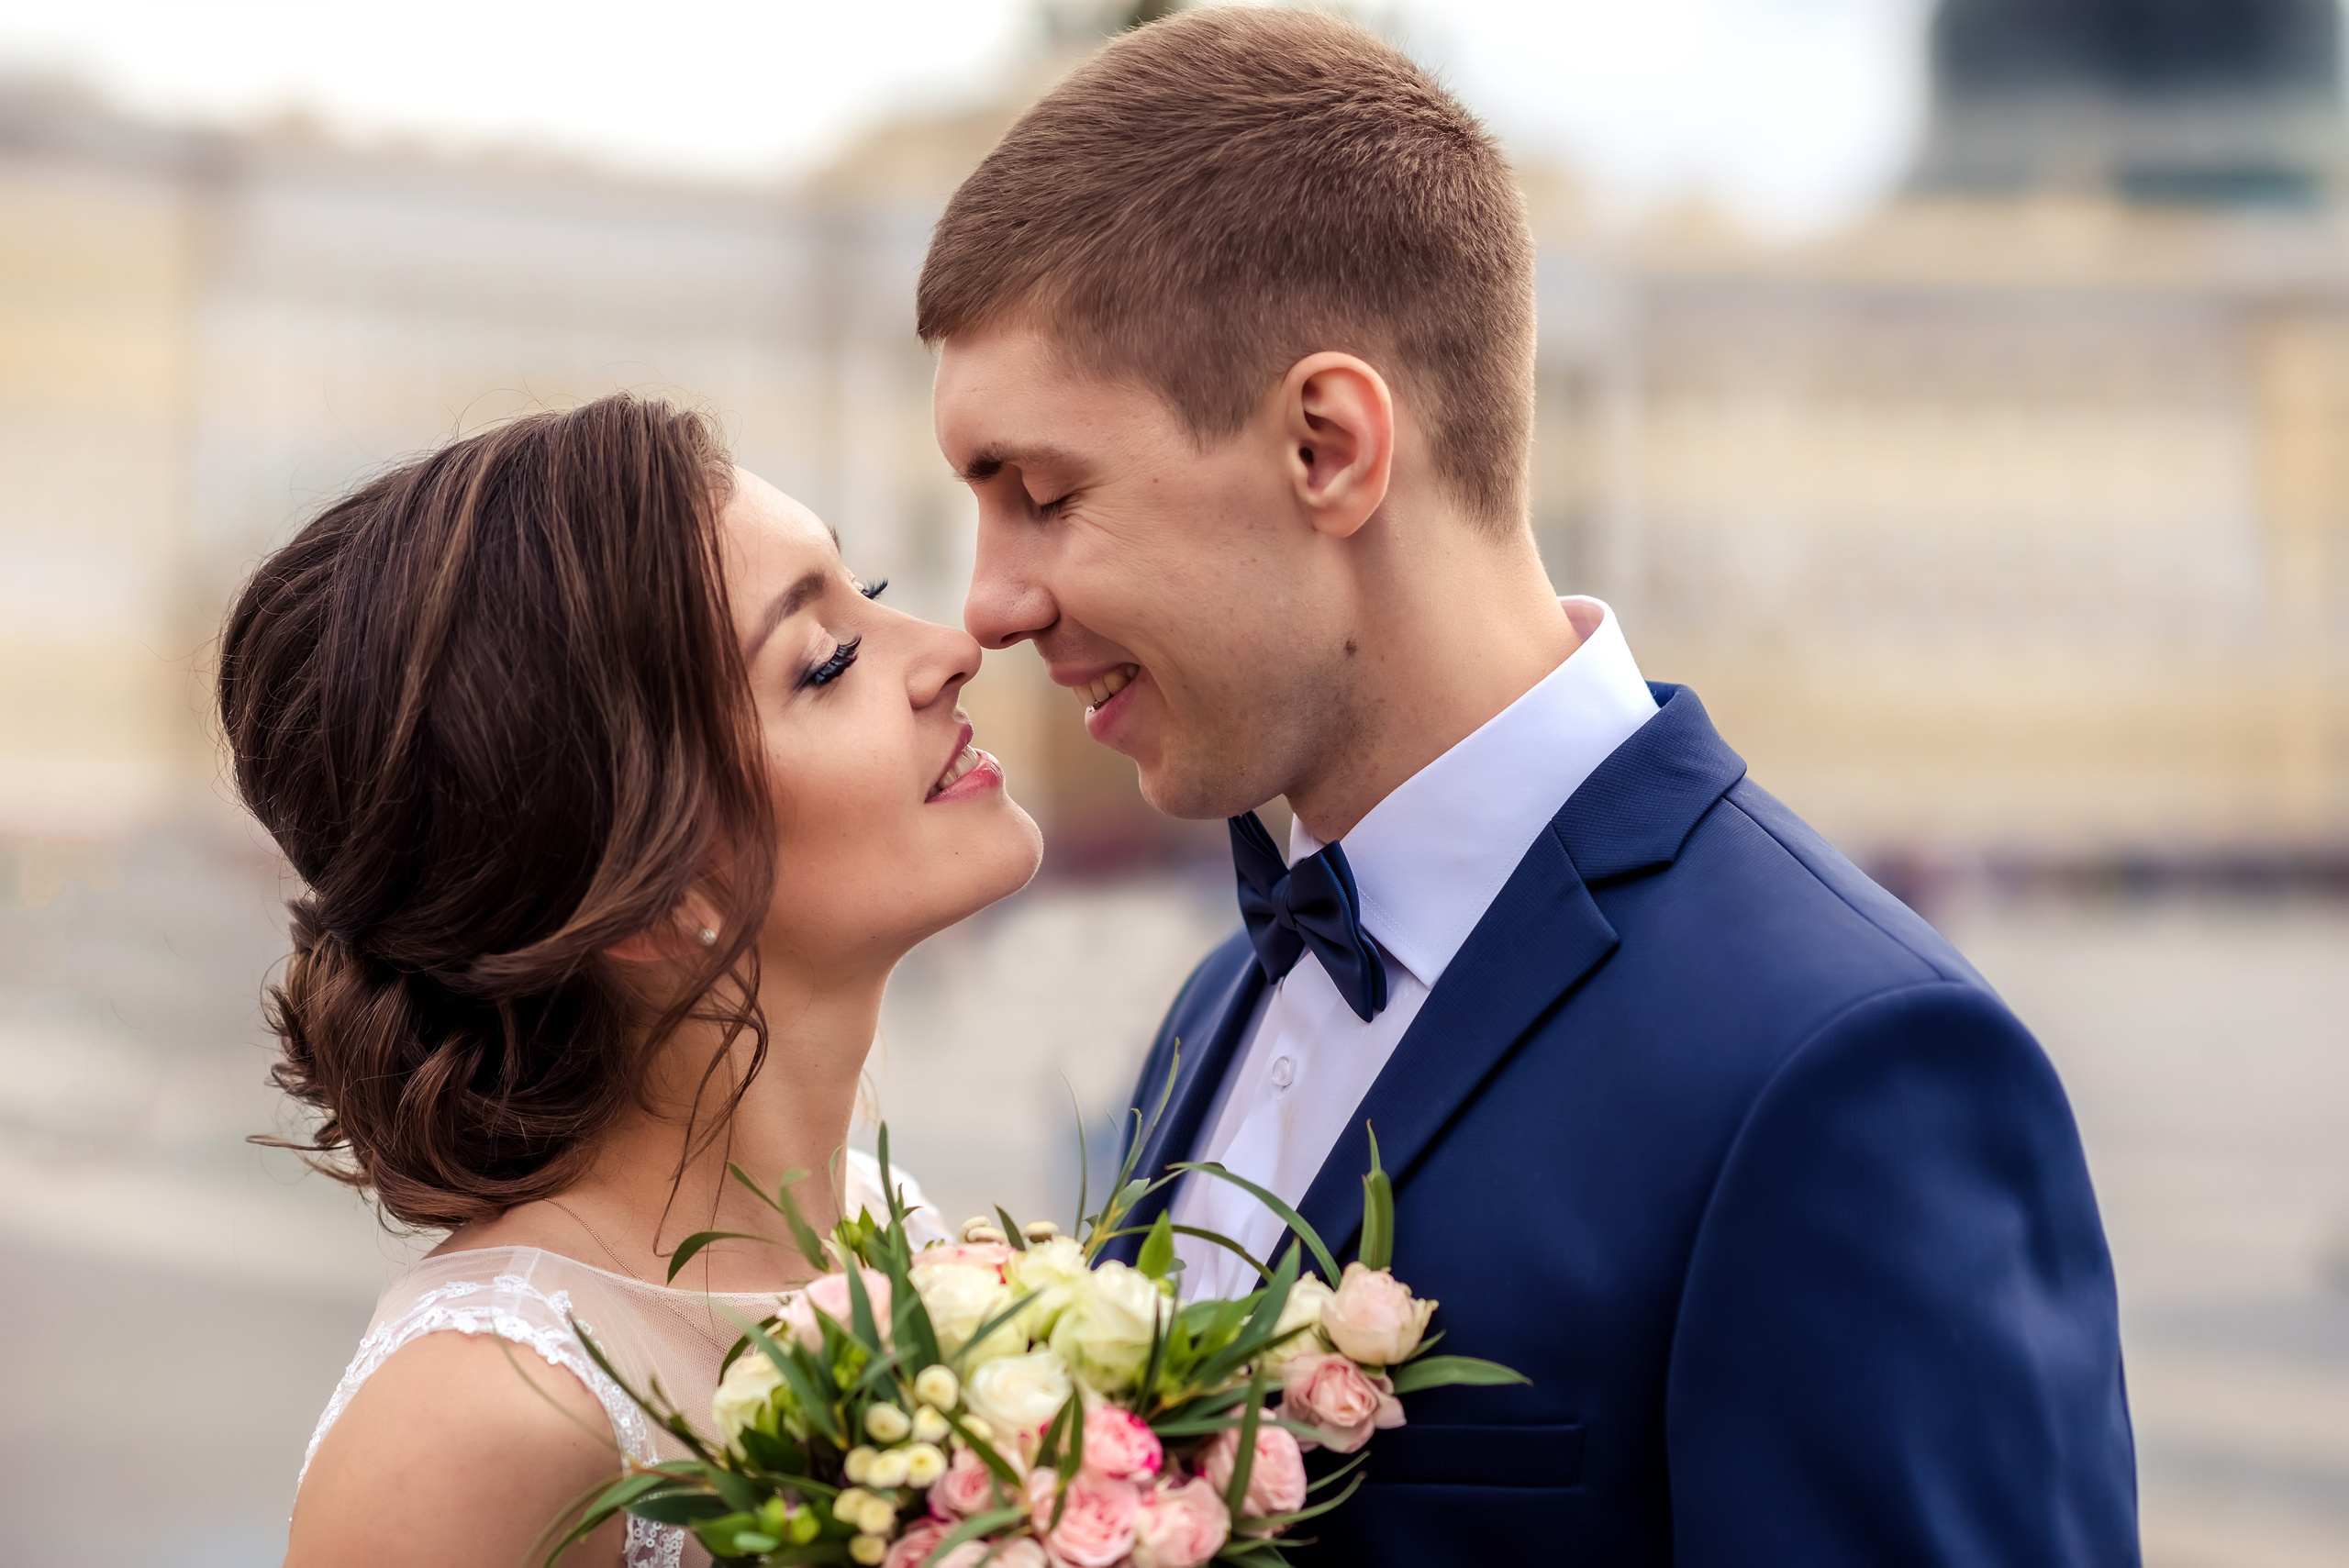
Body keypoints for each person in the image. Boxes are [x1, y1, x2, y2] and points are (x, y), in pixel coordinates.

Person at [921, 8, 2138, 1564]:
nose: (988, 604)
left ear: (1328, 444)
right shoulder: (1219, 1000)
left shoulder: (1848, 1068)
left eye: (1041, 495)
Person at [223, 395, 1041, 1567]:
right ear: (650, 895)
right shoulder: (485, 1420)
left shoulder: (891, 1233)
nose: (954, 648)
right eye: (828, 662)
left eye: (868, 589)